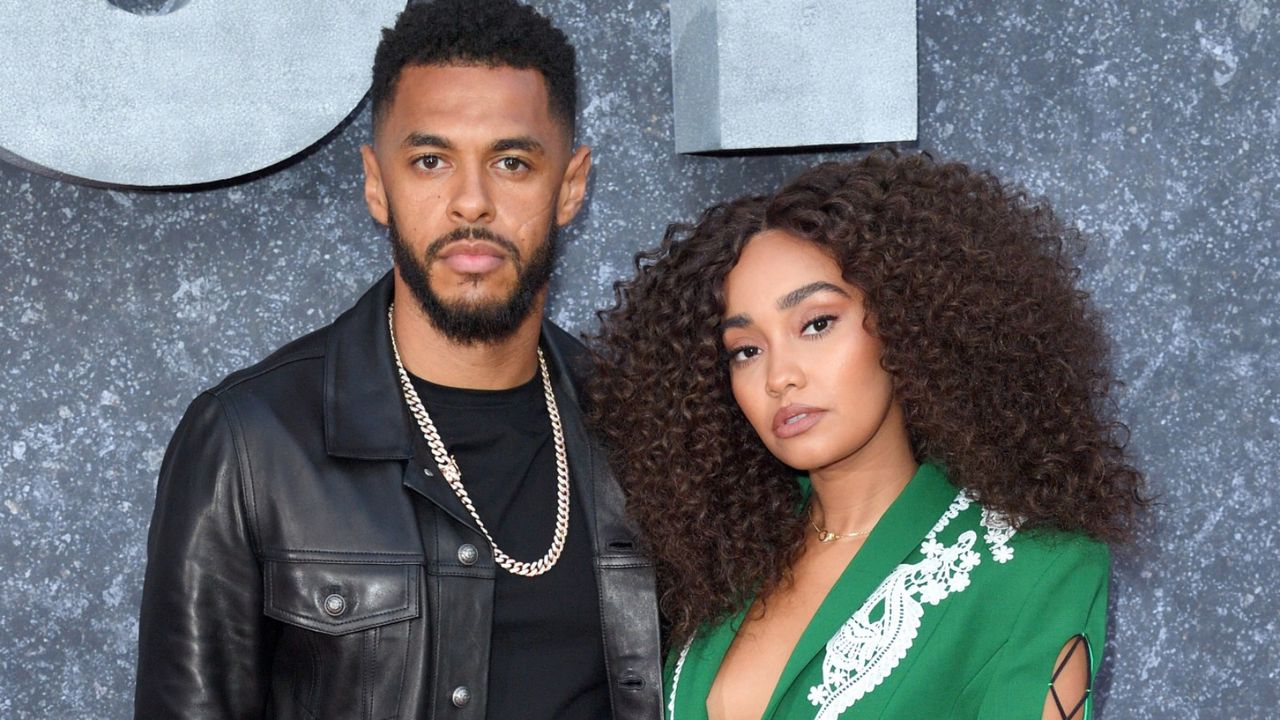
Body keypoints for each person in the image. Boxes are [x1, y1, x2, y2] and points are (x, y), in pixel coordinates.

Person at [133, 1, 662, 718]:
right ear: (377, 184)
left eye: (511, 162)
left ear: (570, 186)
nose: (471, 202)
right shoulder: (251, 444)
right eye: (430, 160)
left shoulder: (641, 429)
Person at [588, 152, 1147, 720]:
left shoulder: (1037, 567)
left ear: (909, 321)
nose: (779, 376)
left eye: (816, 324)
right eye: (746, 350)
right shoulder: (723, 562)